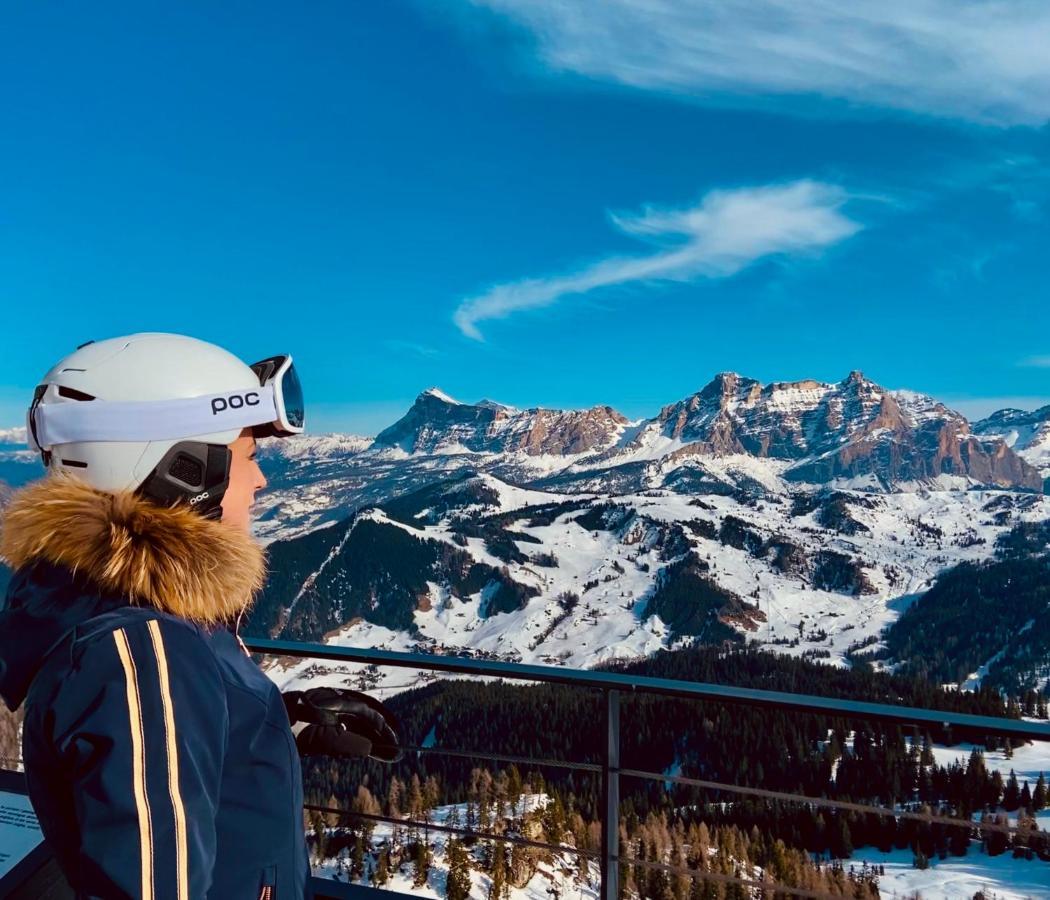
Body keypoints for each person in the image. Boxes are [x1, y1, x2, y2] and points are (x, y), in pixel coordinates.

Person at [0, 333, 312, 899]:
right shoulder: (142, 652)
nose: (261, 481)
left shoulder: (126, 615)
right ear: (187, 471)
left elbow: (162, 750)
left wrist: (277, 723)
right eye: (250, 457)